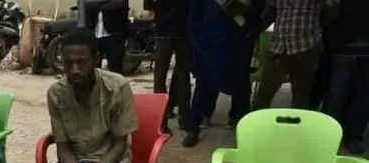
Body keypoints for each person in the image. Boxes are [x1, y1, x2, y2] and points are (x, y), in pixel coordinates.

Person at [24, 28, 137, 163]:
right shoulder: (57, 93)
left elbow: (120, 145)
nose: (75, 70)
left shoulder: (117, 87)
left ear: (96, 59)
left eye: (82, 62)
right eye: (69, 63)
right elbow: (63, 147)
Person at [182, 0, 265, 147]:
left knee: (240, 86)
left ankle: (240, 128)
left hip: (238, 43)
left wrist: (245, 14)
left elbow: (258, 12)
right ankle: (194, 127)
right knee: (204, 85)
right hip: (209, 42)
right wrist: (197, 41)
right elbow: (193, 16)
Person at [252, 0, 339, 110]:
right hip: (279, 47)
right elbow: (271, 11)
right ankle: (257, 120)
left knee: (300, 99)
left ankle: (297, 121)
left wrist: (315, 28)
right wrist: (254, 31)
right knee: (263, 95)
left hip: (305, 47)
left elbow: (333, 9)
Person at [320, 0, 369, 155]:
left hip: (353, 48)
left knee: (360, 98)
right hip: (343, 47)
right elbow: (330, 12)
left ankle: (350, 137)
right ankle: (331, 136)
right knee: (337, 96)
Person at [144, 0, 190, 132]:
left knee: (160, 77)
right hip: (183, 30)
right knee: (183, 75)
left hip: (163, 29)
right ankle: (185, 119)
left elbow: (148, 6)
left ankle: (161, 122)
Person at [85, 0, 128, 74]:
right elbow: (86, 6)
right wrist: (105, 3)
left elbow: (119, 4)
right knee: (93, 68)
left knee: (115, 67)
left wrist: (96, 5)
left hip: (114, 35)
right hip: (95, 35)